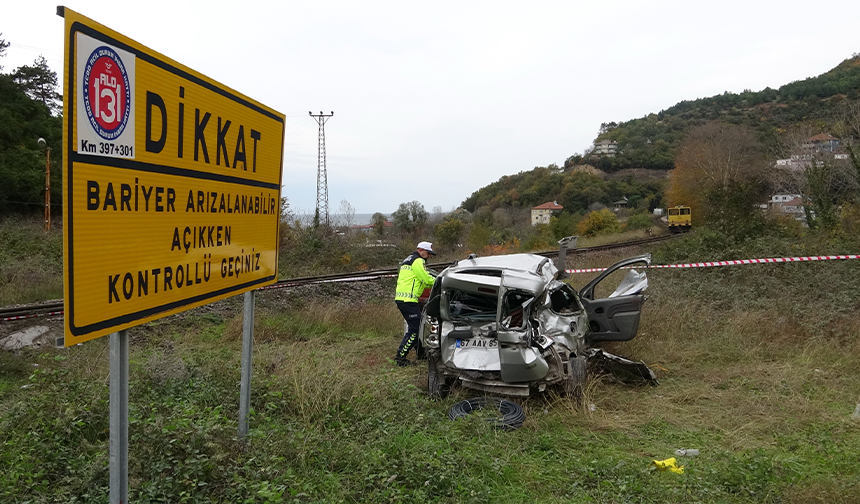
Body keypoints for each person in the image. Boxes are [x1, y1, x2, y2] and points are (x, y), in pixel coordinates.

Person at [393, 241, 436, 366]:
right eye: (428, 253)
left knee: (418, 326)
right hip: (409, 300)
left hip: (403, 299)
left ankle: (421, 354)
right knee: (415, 329)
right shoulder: (418, 261)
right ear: (420, 250)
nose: (429, 256)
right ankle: (400, 357)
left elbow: (419, 280)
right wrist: (439, 281)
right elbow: (426, 279)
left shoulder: (408, 260)